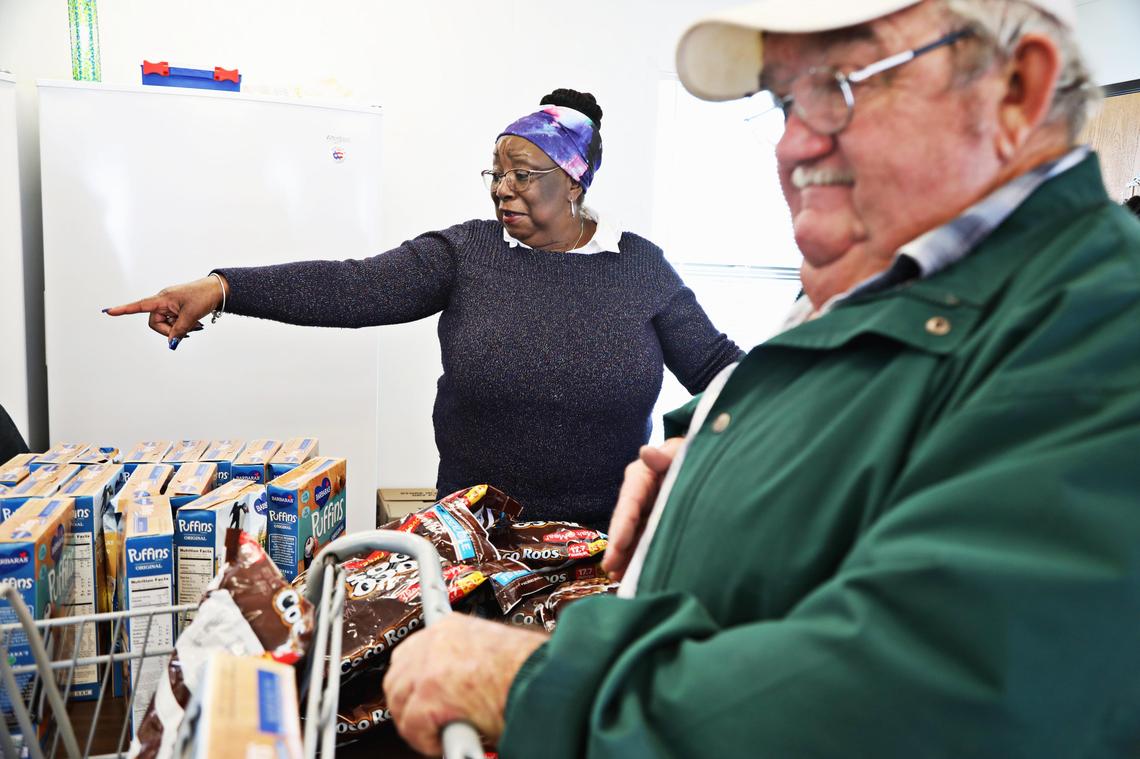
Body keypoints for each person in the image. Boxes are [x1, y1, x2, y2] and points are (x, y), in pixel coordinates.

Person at [381, 0, 1140, 756]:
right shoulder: (905, 289)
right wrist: (724, 457)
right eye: (784, 100)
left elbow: (922, 699)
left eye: (841, 83)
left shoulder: (1107, 334)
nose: (792, 145)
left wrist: (532, 685)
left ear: (1015, 89)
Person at [105, 88, 742, 531]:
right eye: (495, 173)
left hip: (601, 547)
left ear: (574, 181)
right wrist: (222, 288)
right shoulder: (466, 254)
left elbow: (716, 368)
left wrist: (810, 398)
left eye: (523, 174)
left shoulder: (639, 266)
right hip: (472, 542)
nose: (503, 189)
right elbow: (351, 288)